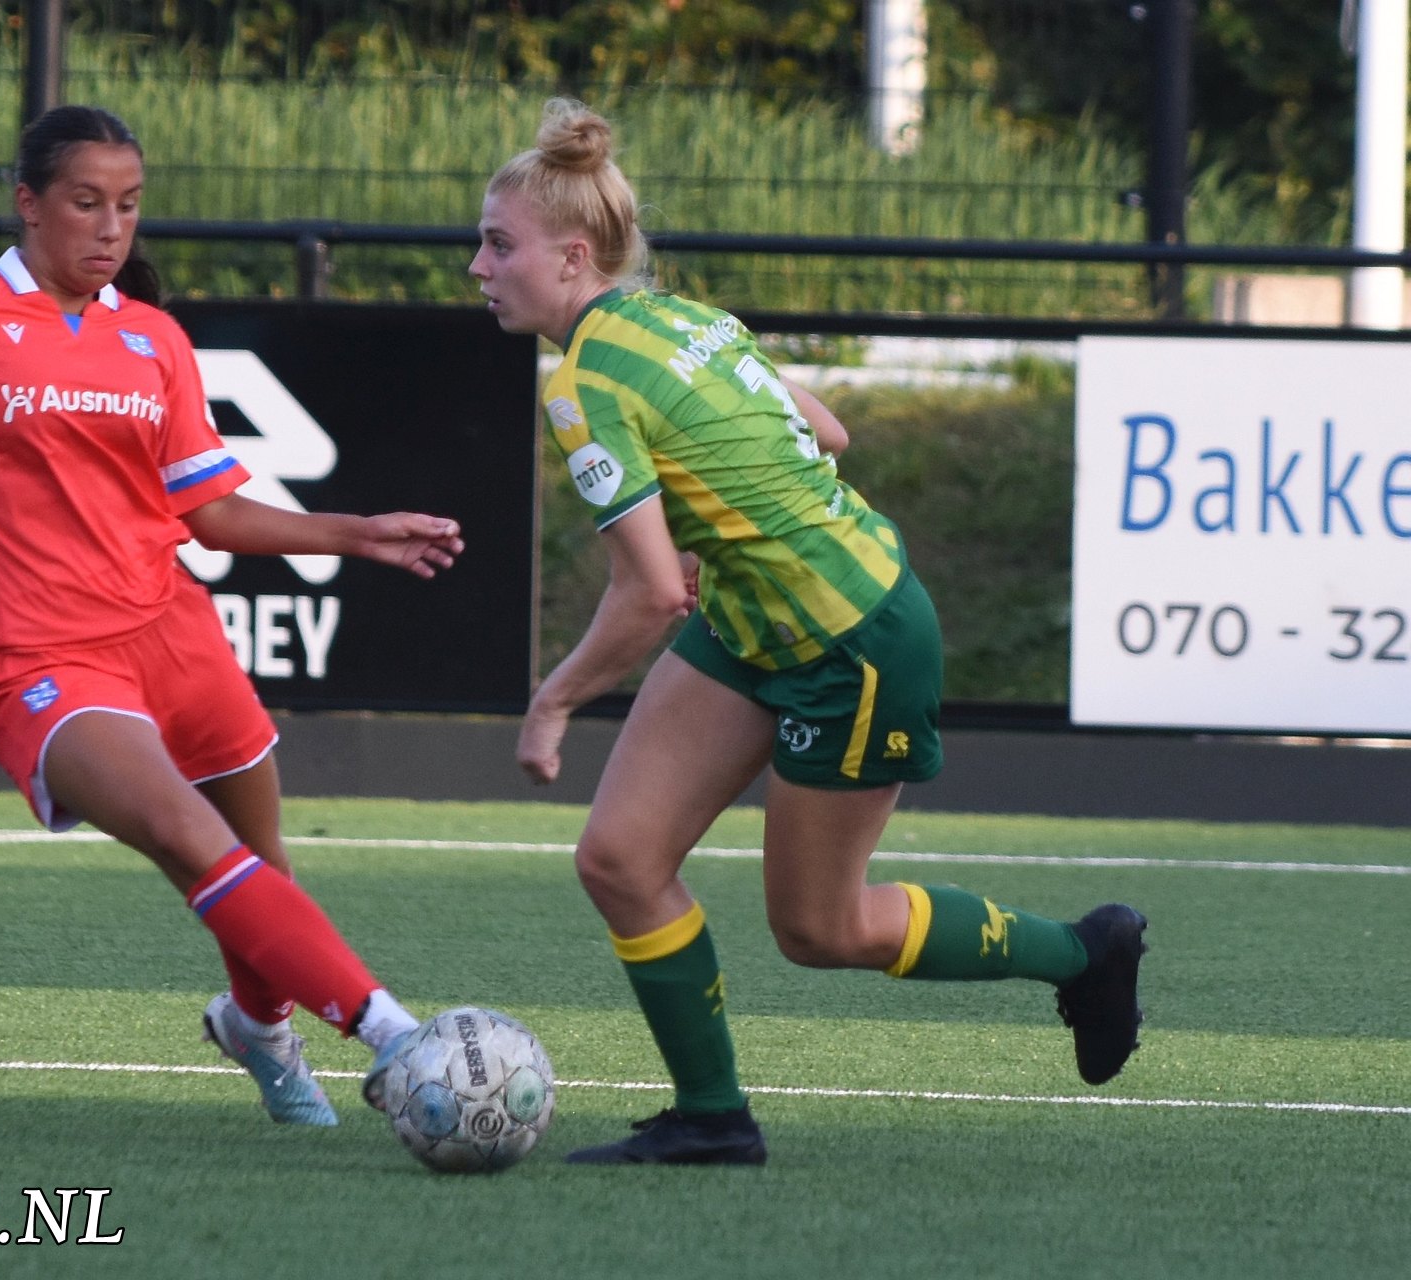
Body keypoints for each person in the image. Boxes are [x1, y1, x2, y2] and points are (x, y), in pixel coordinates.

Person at [469, 99, 1147, 1166]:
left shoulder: (585, 381)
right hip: (756, 618)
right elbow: (823, 430)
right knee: (619, 856)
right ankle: (713, 1117)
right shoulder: (680, 318)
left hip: (855, 640)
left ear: (571, 255)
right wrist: (719, 516)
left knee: (820, 929)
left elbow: (649, 594)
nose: (477, 265)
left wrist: (553, 698)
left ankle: (1082, 952)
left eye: (497, 244)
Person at [0, 104, 464, 1129]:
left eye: (130, 206)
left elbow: (207, 512)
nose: (111, 230)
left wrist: (354, 533)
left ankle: (258, 1029)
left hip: (176, 632)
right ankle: (398, 1038)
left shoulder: (152, 337)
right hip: (41, 660)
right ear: (28, 203)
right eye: (86, 203)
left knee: (261, 868)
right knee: (195, 841)